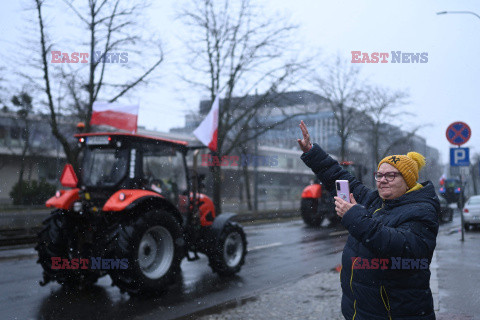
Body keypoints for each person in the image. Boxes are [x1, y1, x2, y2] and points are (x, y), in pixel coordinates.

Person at [297, 120, 439, 320]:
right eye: (379, 175)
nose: (382, 180)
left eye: (390, 175)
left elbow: (402, 249)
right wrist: (311, 152)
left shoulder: (421, 210)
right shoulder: (375, 200)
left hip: (394, 313)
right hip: (360, 311)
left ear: (408, 181)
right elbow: (339, 177)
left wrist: (353, 215)